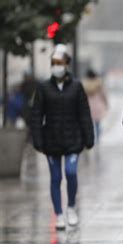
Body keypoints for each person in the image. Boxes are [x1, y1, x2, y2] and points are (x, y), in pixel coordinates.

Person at [31, 44, 94, 229]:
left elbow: (84, 112)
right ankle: (58, 214)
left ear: (67, 64)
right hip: (51, 141)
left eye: (60, 62)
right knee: (56, 178)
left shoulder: (76, 86)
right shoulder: (43, 87)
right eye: (54, 62)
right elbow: (36, 115)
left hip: (73, 140)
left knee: (71, 172)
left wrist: (89, 137)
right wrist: (38, 140)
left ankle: (71, 207)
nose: (56, 65)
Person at [82, 69, 108, 144]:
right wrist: (106, 104)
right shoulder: (99, 84)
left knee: (89, 125)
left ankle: (90, 138)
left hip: (88, 107)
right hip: (97, 107)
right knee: (97, 125)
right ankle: (98, 140)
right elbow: (104, 95)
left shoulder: (85, 85)